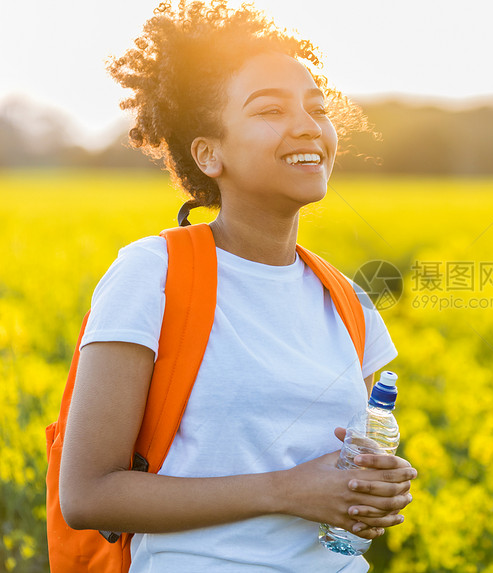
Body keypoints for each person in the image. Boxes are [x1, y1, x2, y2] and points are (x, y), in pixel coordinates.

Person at [57, 1, 416, 571]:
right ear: (209, 153)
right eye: (269, 109)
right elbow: (88, 495)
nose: (307, 125)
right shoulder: (153, 275)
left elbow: (341, 472)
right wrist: (286, 490)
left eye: (317, 108)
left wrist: (377, 489)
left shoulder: (348, 300)